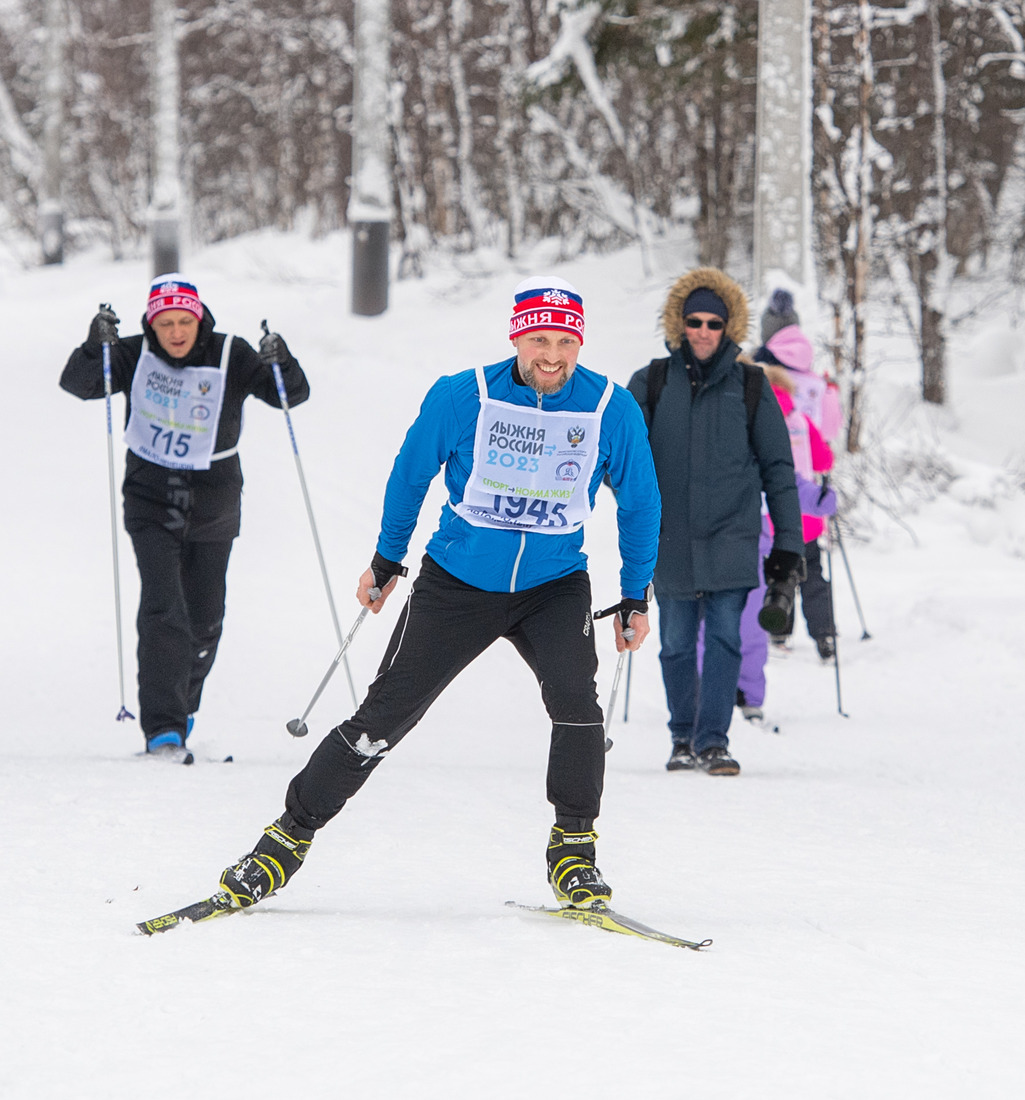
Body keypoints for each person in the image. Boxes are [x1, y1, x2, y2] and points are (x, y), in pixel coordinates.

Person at [210, 275, 661, 914]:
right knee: (384, 718)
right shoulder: (462, 396)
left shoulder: (610, 409)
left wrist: (635, 593)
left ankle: (574, 853)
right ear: (516, 337)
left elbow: (641, 501)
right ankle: (283, 841)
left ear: (580, 343)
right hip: (458, 584)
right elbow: (411, 473)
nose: (551, 355)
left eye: (564, 341)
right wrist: (387, 559)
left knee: (577, 704)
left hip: (553, 586)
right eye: (539, 339)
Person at [60, 273, 310, 764]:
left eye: (185, 321)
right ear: (151, 325)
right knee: (163, 609)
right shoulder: (134, 354)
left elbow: (289, 395)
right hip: (151, 501)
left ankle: (182, 703)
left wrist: (282, 359)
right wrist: (96, 344)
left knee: (206, 617)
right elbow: (77, 384)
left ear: (201, 320)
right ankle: (164, 728)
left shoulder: (230, 354)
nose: (176, 332)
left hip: (215, 503)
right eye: (165, 323)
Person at [627, 267, 803, 776]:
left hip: (732, 535)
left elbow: (778, 467)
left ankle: (714, 741)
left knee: (725, 639)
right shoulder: (651, 381)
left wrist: (789, 544)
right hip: (672, 538)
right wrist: (629, 499)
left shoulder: (750, 384)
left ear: (729, 328)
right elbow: (621, 455)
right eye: (695, 321)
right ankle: (682, 736)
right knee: (677, 643)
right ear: (679, 323)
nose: (703, 330)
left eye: (714, 323)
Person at [735, 367, 838, 726]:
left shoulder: (746, 417)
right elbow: (802, 472)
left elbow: (782, 476)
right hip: (757, 535)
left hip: (739, 536)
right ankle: (746, 696)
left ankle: (712, 691)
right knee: (748, 623)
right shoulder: (793, 415)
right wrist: (820, 497)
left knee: (714, 624)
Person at [753, 291, 840, 660]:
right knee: (814, 573)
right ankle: (825, 635)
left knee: (776, 568)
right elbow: (825, 454)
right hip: (807, 511)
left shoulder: (752, 383)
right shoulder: (809, 397)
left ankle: (778, 632)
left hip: (766, 509)